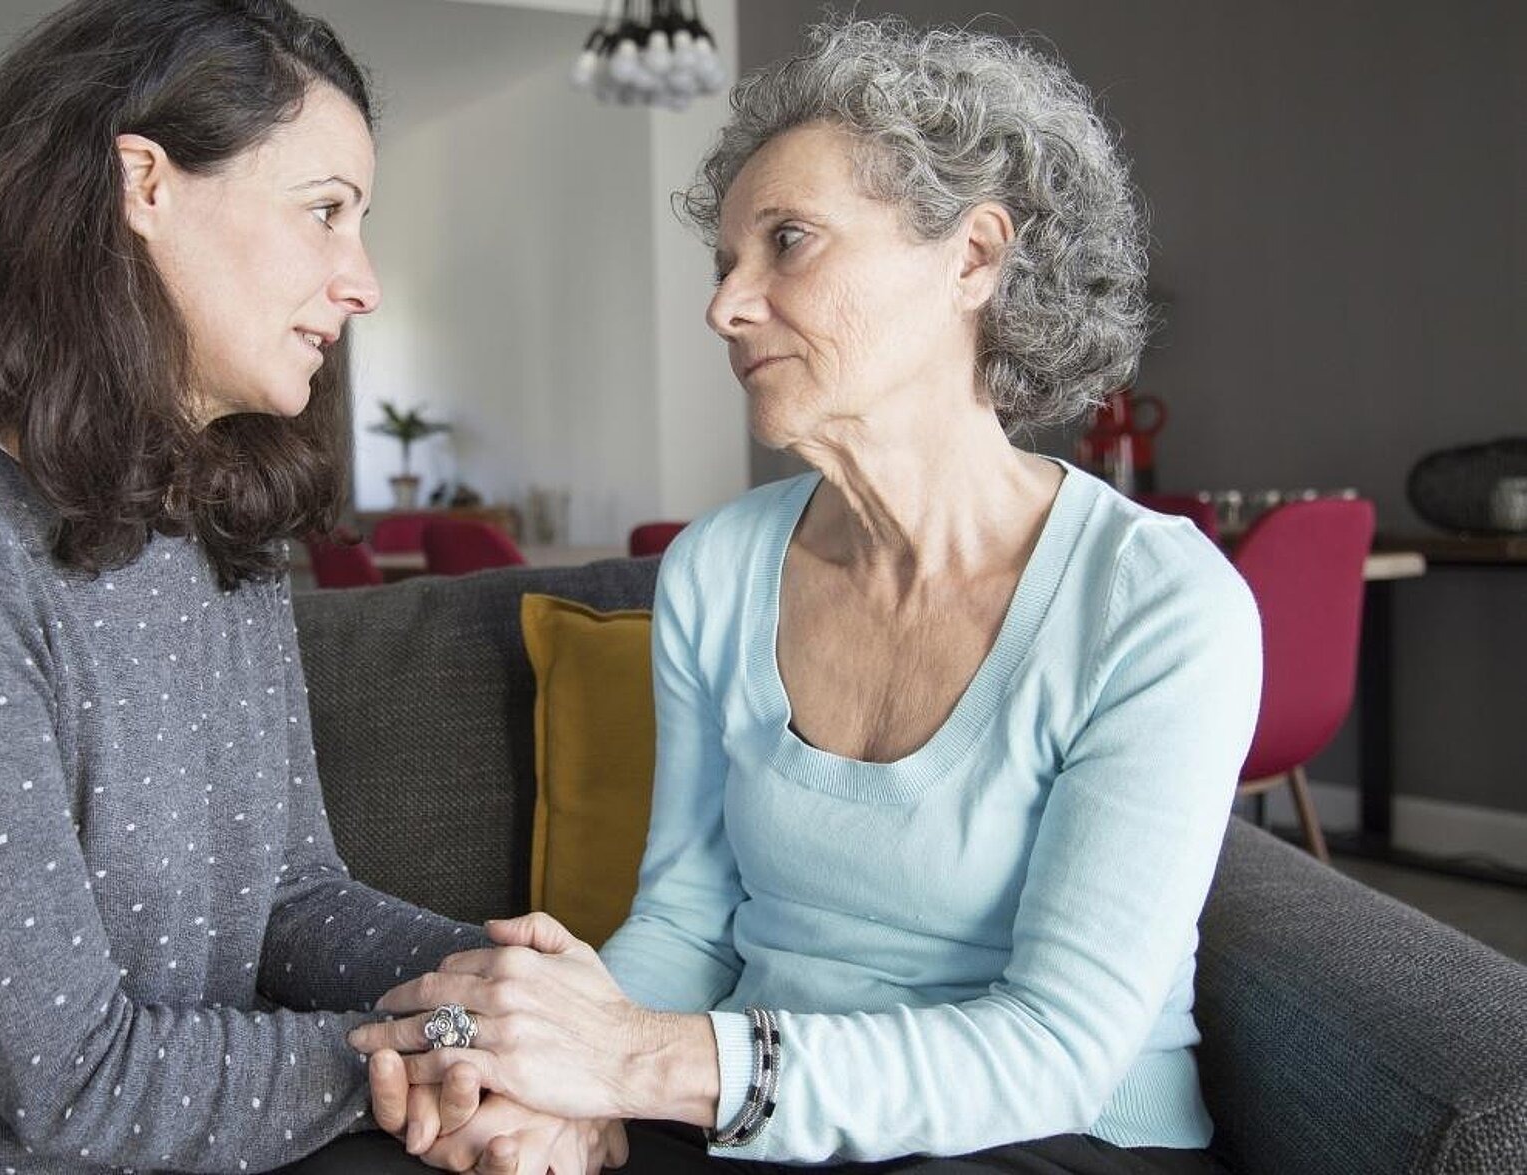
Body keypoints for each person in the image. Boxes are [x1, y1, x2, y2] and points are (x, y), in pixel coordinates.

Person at [0, 2, 620, 1172]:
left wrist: (516, 998)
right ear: (144, 185)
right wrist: (455, 1049)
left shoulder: (219, 540)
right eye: (324, 211)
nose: (359, 279)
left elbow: (292, 899)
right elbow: (84, 1085)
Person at [352, 16, 1260, 1172]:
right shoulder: (720, 567)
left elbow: (1057, 1047)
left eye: (788, 241)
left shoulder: (1154, 604)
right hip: (755, 1116)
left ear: (973, 257)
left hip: (1051, 1132)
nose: (726, 306)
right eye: (726, 262)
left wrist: (634, 1063)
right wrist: (555, 1091)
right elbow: (684, 919)